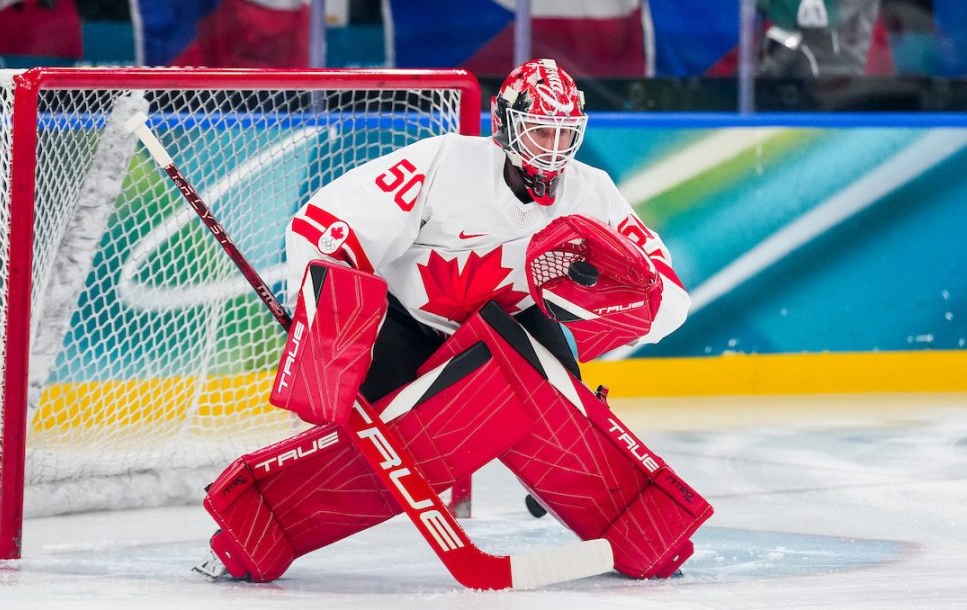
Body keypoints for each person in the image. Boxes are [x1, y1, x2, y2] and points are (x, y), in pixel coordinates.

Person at [199, 58, 712, 584]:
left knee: (572, 415)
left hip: (514, 329)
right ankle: (253, 529)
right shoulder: (446, 162)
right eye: (540, 131)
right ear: (507, 126)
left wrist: (626, 301)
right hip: (405, 326)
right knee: (392, 448)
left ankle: (618, 517)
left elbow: (666, 292)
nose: (552, 150)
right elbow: (328, 222)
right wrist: (322, 315)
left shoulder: (593, 190)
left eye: (564, 134)